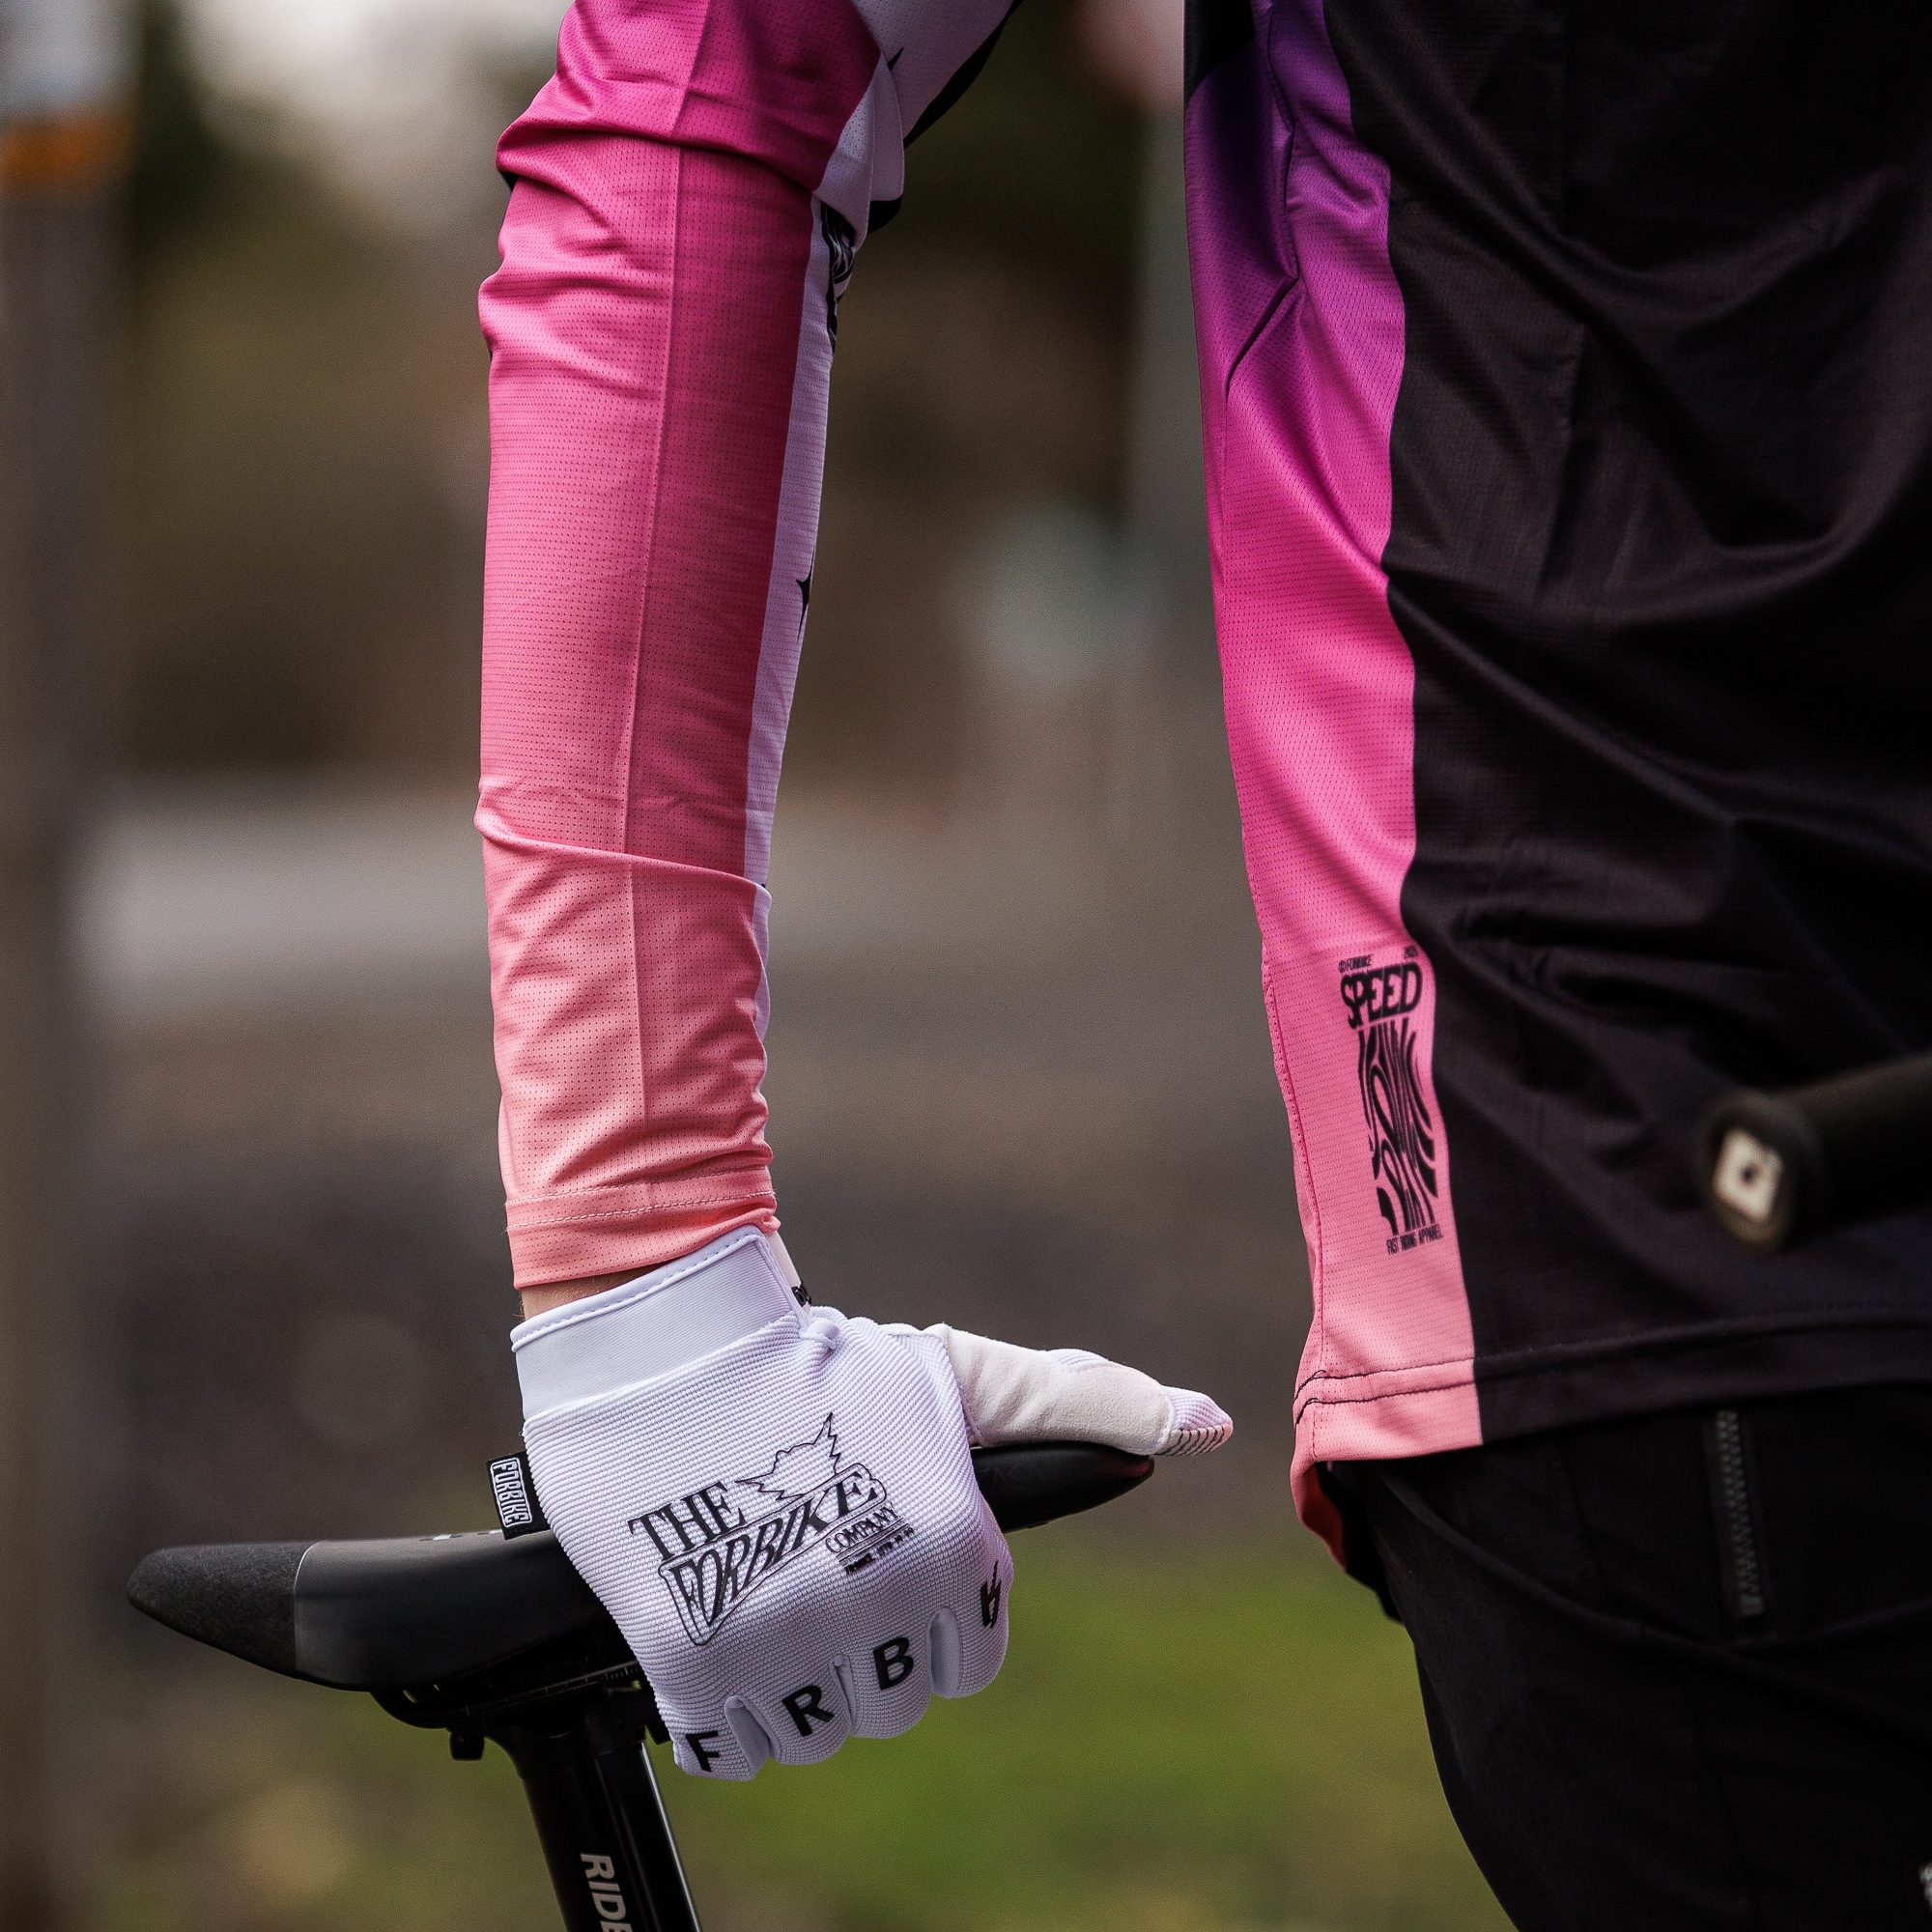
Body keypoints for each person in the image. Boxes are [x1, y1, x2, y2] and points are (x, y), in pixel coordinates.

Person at [477, 0, 1932, 1924]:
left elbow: (709, 80)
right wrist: (644, 1275)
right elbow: (724, 87)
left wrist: (646, 1277)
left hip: (1670, 1219)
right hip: (1699, 1218)